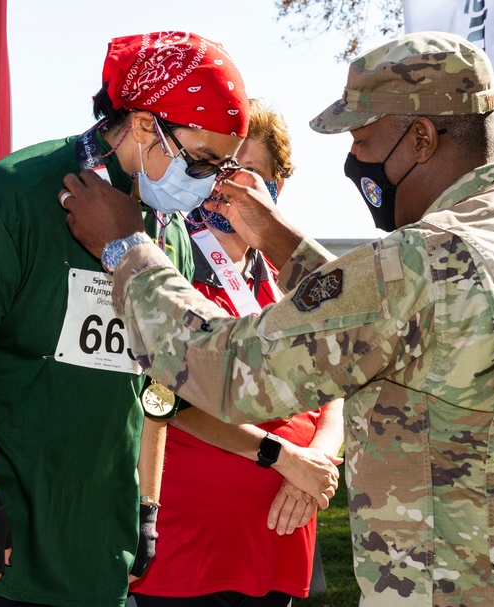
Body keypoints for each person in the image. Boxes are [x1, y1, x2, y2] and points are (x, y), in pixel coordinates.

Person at [61, 31, 494, 606]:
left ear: (422, 138)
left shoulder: (427, 261)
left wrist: (125, 250)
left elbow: (228, 370)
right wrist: (275, 234)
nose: (354, 160)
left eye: (362, 138)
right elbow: (391, 319)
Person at [0, 31, 252, 607]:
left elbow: (157, 385)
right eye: (200, 160)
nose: (206, 181)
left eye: (220, 167)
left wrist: (147, 506)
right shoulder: (11, 197)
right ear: (141, 125)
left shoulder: (166, 232)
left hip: (86, 541)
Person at [130, 99, 344, 607]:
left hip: (278, 545)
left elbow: (338, 382)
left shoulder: (290, 279)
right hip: (187, 554)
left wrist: (317, 461)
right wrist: (284, 459)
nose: (227, 184)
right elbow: (163, 397)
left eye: (248, 171)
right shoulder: (169, 267)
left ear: (276, 188)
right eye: (219, 168)